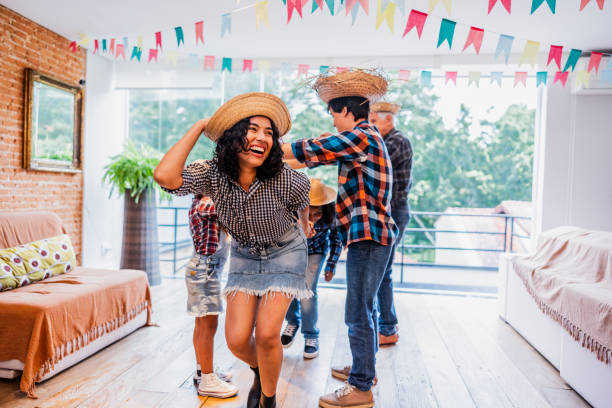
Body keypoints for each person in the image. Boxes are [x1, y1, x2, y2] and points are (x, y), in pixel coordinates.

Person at [154, 92, 312, 408]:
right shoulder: (213, 174)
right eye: (253, 129)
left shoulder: (285, 179)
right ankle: (260, 370)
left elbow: (302, 202)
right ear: (234, 136)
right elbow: (165, 176)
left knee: (268, 334)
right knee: (238, 340)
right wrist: (201, 125)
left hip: (285, 252)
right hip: (244, 255)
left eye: (269, 132)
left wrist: (306, 226)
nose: (262, 138)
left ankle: (268, 399)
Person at [281, 70, 397, 408]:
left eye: (333, 112)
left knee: (357, 311)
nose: (332, 120)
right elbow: (324, 151)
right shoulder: (365, 140)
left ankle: (361, 387)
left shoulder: (362, 137)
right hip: (373, 235)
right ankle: (365, 369)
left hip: (370, 235)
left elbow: (315, 149)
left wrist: (270, 150)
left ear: (346, 111)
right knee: (367, 307)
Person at [280, 178, 342, 359]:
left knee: (307, 291)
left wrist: (331, 264)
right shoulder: (289, 212)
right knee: (290, 288)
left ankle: (311, 336)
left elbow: (336, 239)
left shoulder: (331, 214)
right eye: (310, 213)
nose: (314, 218)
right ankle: (292, 321)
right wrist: (301, 230)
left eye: (318, 213)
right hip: (292, 251)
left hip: (316, 252)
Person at [369, 102, 413, 346]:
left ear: (388, 120)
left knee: (383, 271)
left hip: (394, 210)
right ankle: (386, 325)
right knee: (383, 271)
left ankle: (387, 327)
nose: (371, 127)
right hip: (390, 210)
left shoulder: (397, 142)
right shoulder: (390, 140)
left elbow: (373, 158)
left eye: (374, 122)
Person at [185, 194, 238, 398]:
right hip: (204, 270)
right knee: (208, 326)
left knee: (202, 325)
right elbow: (212, 208)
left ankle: (202, 371)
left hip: (205, 270)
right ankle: (207, 379)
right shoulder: (204, 203)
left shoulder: (203, 202)